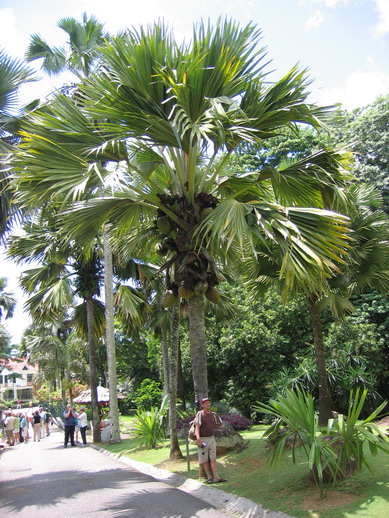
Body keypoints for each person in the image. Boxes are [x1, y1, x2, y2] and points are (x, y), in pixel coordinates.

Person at [194, 397, 227, 484]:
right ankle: (209, 476)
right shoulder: (200, 414)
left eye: (209, 403)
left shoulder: (213, 414)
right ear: (202, 405)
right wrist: (198, 439)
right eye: (206, 403)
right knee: (204, 459)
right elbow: (197, 426)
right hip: (203, 439)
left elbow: (220, 423)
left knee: (213, 458)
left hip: (211, 438)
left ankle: (216, 476)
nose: (208, 404)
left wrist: (213, 428)